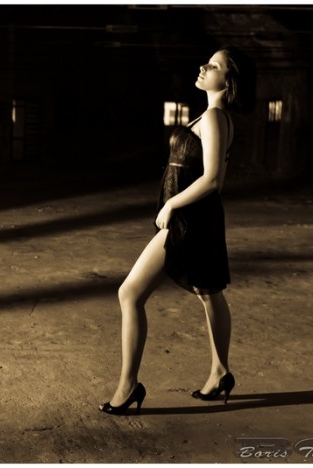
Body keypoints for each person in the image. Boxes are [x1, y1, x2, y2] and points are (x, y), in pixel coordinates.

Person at [99, 47, 256, 415]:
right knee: (209, 292)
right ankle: (220, 372)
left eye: (214, 65)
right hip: (198, 217)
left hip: (190, 220)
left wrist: (171, 205)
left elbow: (214, 179)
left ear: (228, 80)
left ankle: (128, 386)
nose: (203, 66)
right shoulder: (212, 116)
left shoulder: (215, 118)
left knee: (130, 293)